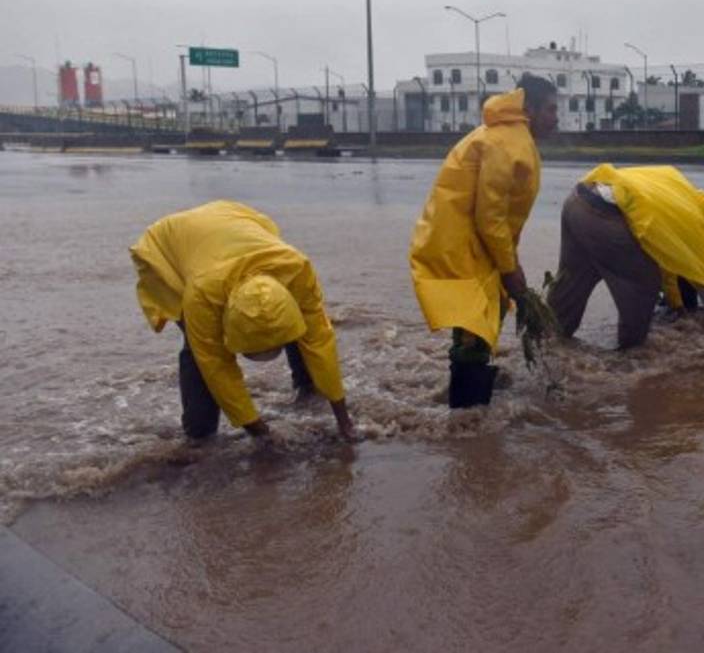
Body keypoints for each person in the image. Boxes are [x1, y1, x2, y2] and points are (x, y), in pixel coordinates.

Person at [130, 200, 354, 441]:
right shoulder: (202, 295)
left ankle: (308, 388)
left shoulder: (296, 269)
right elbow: (215, 363)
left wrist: (344, 422)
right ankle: (200, 434)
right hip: (166, 249)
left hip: (233, 219)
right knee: (198, 350)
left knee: (289, 316)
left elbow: (319, 340)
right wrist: (259, 431)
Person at [409, 74, 559, 408]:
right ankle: (466, 422)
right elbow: (489, 217)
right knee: (472, 332)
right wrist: (510, 270)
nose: (556, 118)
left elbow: (500, 217)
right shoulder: (508, 144)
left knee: (480, 324)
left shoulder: (511, 139)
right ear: (529, 109)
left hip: (471, 244)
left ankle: (470, 407)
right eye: (550, 109)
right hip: (462, 247)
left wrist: (509, 262)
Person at [547, 163, 704, 351]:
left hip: (579, 198)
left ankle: (549, 338)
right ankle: (631, 355)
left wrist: (677, 305)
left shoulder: (682, 190)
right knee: (644, 284)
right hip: (604, 216)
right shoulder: (697, 231)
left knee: (574, 277)